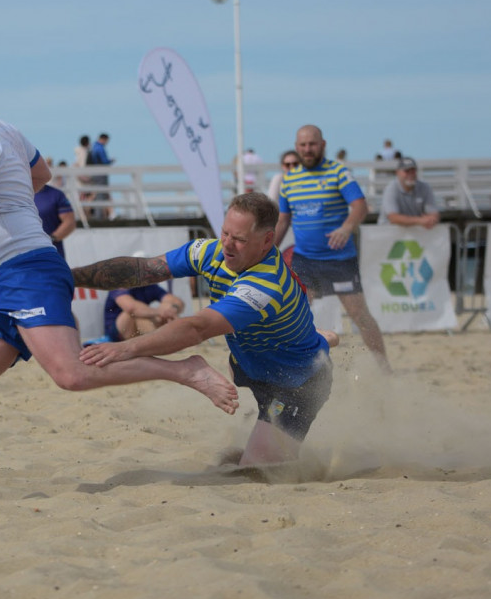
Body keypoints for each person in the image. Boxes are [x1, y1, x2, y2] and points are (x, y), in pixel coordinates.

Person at [0, 73, 238, 502]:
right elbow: (41, 175)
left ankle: (184, 370)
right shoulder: (3, 128)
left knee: (71, 374)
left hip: (22, 272)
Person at [76, 192, 338, 465]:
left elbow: (197, 329)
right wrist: (71, 277)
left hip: (297, 383)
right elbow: (144, 269)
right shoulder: (210, 251)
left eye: (239, 239)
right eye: (225, 232)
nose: (227, 245)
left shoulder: (265, 285)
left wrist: (126, 348)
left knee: (256, 471)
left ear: (267, 240)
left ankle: (318, 343)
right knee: (237, 454)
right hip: (252, 365)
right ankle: (321, 338)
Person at [275, 125, 391, 373]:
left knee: (360, 316)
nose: (308, 149)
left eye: (312, 144)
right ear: (297, 147)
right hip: (304, 259)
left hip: (339, 259)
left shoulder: (338, 172)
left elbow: (360, 206)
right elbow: (283, 220)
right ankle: (296, 369)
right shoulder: (289, 180)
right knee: (294, 316)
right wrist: (267, 251)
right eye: (303, 145)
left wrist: (347, 227)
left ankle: (383, 367)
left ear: (323, 144)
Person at [103, 284, 184, 343]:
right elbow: (131, 308)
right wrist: (160, 312)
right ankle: (157, 343)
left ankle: (158, 342)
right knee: (136, 314)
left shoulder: (147, 286)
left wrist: (172, 309)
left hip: (138, 330)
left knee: (168, 306)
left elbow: (176, 301)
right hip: (117, 332)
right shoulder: (118, 287)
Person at [377, 157, 440, 228]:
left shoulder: (425, 187)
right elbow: (393, 217)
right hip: (388, 233)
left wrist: (431, 219)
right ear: (397, 172)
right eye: (407, 171)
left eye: (413, 171)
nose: (410, 174)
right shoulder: (391, 189)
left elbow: (433, 213)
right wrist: (420, 220)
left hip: (415, 233)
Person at [34, 182, 76, 258]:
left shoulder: (56, 194)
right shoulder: (16, 195)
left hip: (51, 252)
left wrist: (50, 239)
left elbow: (69, 222)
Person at [87, 133, 113, 219]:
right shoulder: (100, 148)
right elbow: (104, 161)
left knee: (96, 194)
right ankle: (100, 216)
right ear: (104, 139)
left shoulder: (93, 146)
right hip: (100, 174)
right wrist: (110, 161)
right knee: (101, 194)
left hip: (93, 173)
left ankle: (97, 215)